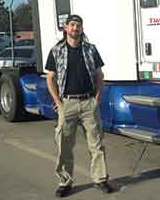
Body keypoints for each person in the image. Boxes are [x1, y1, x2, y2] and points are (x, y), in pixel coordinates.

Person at [45, 14, 112, 197]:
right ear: (66, 28)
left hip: (88, 103)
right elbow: (50, 78)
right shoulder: (56, 51)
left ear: (81, 29)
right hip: (67, 104)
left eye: (78, 25)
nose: (75, 28)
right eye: (72, 25)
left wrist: (98, 95)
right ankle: (65, 182)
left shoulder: (90, 50)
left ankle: (100, 180)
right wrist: (58, 102)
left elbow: (99, 74)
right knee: (64, 146)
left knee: (96, 145)